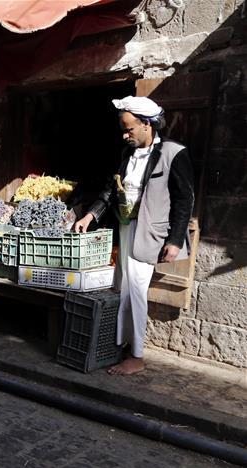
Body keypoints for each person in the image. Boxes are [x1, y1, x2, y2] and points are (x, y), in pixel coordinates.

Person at [73, 96, 194, 375]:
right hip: (126, 227)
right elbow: (112, 190)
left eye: (129, 128)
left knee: (137, 291)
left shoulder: (174, 153)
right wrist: (91, 215)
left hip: (150, 233)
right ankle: (122, 344)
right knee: (123, 288)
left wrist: (175, 240)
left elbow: (184, 199)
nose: (124, 134)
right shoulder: (127, 154)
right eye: (123, 129)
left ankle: (137, 355)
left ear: (147, 125)